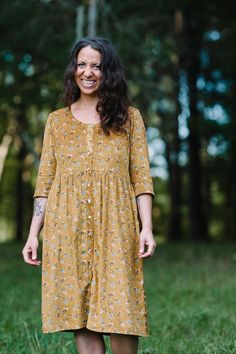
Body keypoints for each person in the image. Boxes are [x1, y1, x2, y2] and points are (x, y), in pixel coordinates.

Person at [22, 37, 156, 354]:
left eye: (96, 66)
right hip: (66, 229)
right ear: (73, 70)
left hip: (117, 226)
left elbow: (141, 176)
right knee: (79, 314)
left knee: (122, 312)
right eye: (81, 64)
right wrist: (32, 235)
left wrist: (146, 227)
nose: (88, 72)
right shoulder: (56, 121)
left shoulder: (129, 118)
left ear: (108, 72)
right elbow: (45, 182)